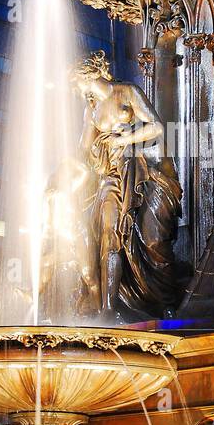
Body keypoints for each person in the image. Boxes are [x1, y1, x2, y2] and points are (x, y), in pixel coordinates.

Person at [70, 51, 183, 318]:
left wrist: (122, 140)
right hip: (112, 176)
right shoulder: (92, 110)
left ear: (89, 75)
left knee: (153, 241)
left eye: (77, 84)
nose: (77, 91)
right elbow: (82, 152)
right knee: (109, 233)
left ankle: (167, 302)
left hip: (146, 173)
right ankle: (108, 309)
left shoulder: (127, 92)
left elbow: (156, 127)